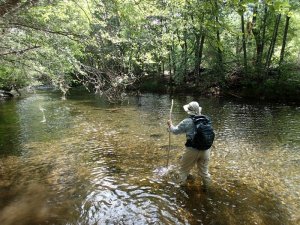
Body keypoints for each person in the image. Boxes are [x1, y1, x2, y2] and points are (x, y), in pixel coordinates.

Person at [167, 101, 211, 190]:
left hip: (192, 150)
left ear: (189, 111)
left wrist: (170, 124)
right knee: (204, 173)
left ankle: (181, 191)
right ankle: (208, 190)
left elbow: (175, 131)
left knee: (183, 171)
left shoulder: (187, 121)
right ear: (199, 110)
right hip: (206, 149)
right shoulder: (206, 120)